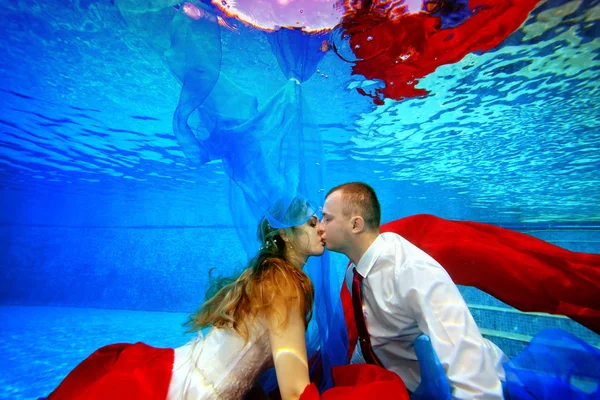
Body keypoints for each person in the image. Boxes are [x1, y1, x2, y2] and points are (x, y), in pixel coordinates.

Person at [45, 199, 325, 400]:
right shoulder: (285, 284)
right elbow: (294, 392)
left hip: (177, 370)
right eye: (312, 223)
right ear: (286, 235)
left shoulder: (268, 275)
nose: (321, 228)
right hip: (188, 391)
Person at [320, 182, 507, 399]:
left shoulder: (412, 272)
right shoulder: (355, 272)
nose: (321, 227)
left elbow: (470, 367)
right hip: (415, 388)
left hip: (475, 385)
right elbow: (375, 340)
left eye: (328, 218)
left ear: (356, 225)